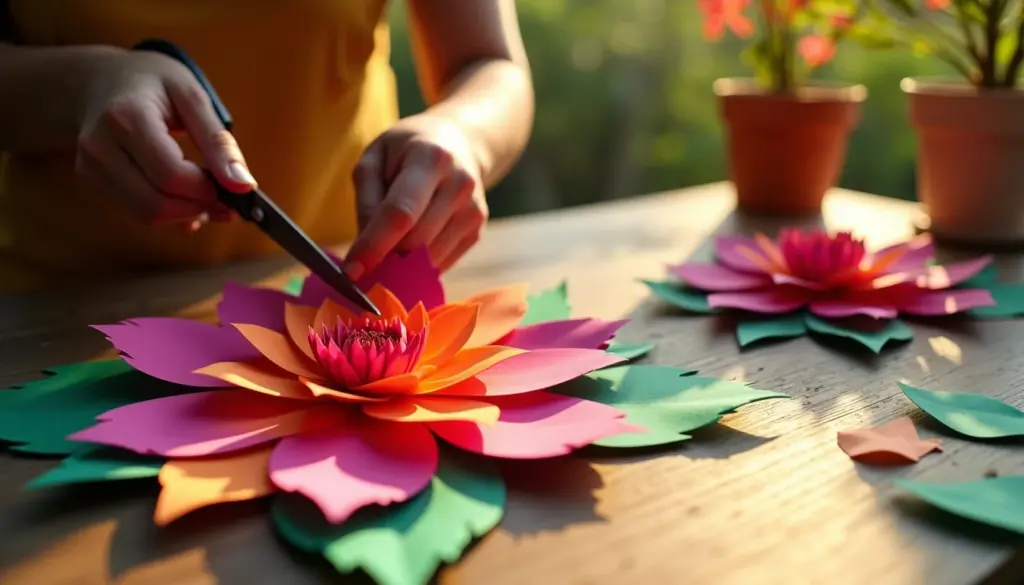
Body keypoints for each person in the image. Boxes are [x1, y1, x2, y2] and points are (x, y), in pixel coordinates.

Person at [0, 1, 533, 293]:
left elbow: (490, 65)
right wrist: (82, 85)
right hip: (58, 321)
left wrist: (462, 133)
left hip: (340, 298)